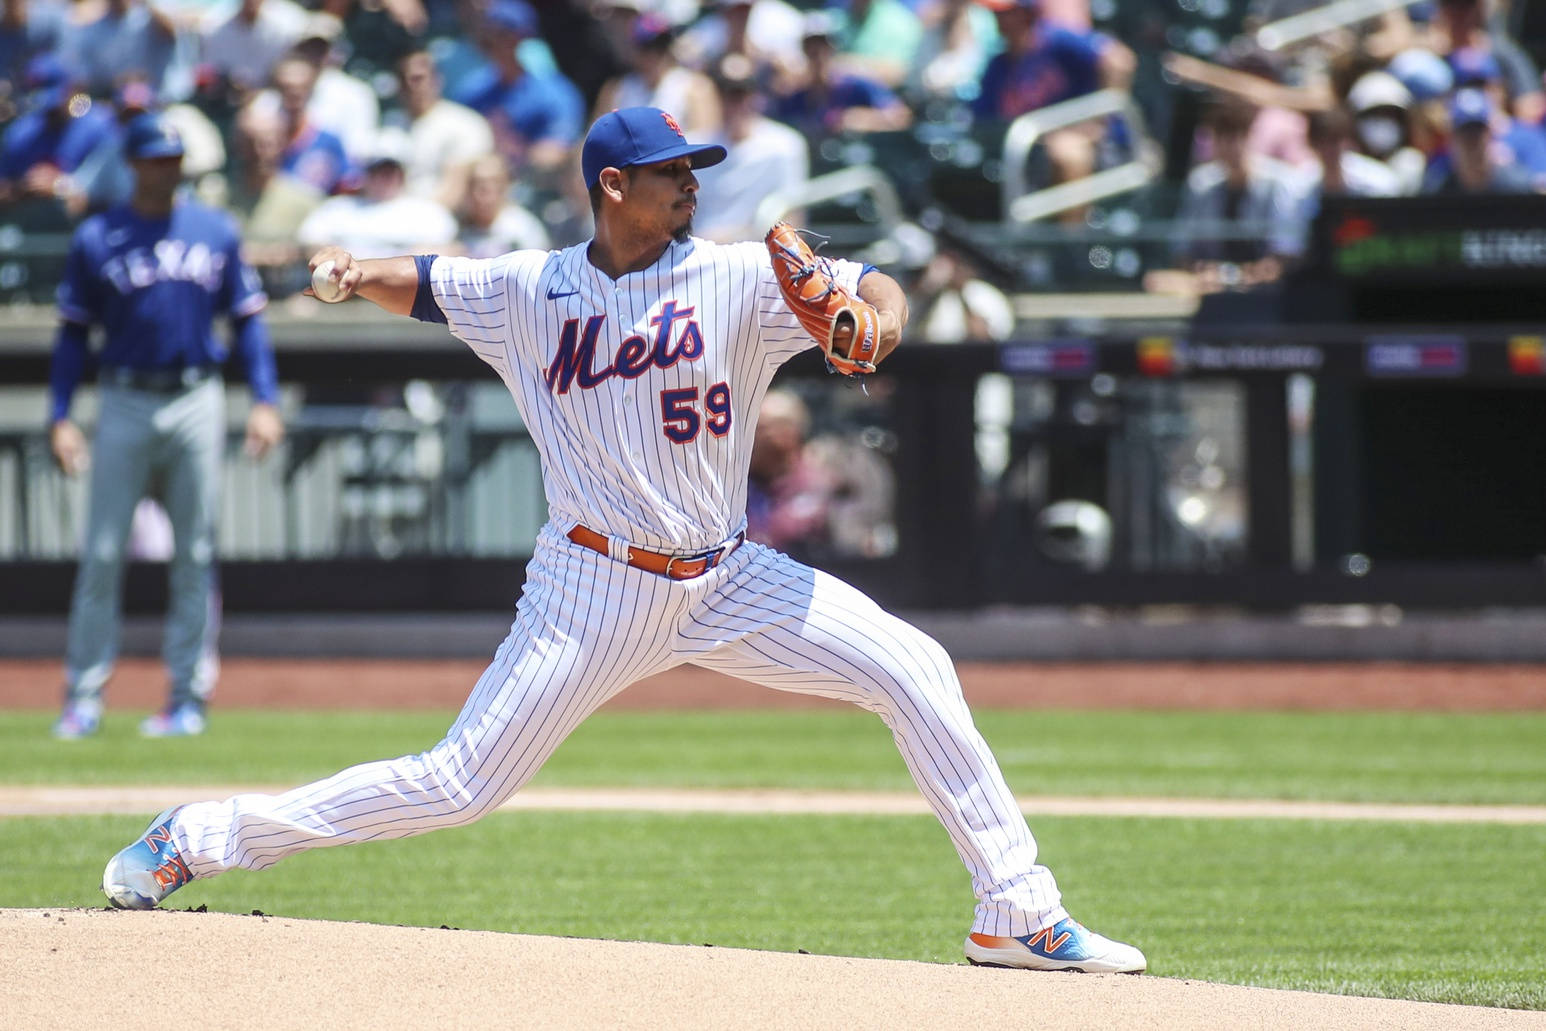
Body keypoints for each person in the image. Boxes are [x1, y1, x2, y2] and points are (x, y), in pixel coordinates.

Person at [100, 104, 1146, 977]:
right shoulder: (529, 289)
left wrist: (876, 320)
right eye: (666, 172)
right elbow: (422, 279)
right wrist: (344, 268)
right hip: (589, 586)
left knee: (915, 666)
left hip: (727, 578)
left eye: (694, 167)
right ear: (610, 185)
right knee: (459, 784)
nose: (689, 183)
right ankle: (197, 836)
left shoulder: (739, 276)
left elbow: (875, 282)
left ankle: (1012, 907)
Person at [49, 111, 284, 741]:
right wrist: (60, 415)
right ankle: (83, 698)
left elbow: (248, 322)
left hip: (195, 396)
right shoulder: (98, 235)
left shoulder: (215, 230)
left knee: (196, 553)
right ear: (133, 163)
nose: (165, 168)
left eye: (173, 159)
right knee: (101, 553)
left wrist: (265, 399)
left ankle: (186, 699)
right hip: (123, 396)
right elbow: (73, 334)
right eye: (155, 158)